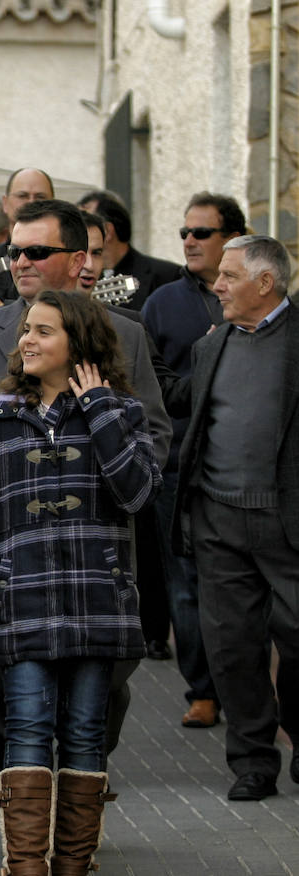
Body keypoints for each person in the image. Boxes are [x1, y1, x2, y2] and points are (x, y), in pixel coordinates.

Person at [0, 198, 172, 784]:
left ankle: (78, 798)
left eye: (36, 251)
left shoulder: (126, 336)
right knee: (12, 706)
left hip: (98, 560)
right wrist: (4, 483)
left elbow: (155, 435)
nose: (18, 261)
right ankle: (20, 801)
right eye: (13, 250)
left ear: (77, 259)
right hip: (11, 554)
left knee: (98, 705)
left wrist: (105, 473)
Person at [0, 288, 158, 875]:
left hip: (98, 604)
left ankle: (72, 866)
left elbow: (138, 494)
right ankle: (25, 867)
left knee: (86, 732)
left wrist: (99, 410)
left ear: (80, 344)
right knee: (27, 729)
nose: (26, 340)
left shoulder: (121, 412)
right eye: (26, 330)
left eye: (43, 331)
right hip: (23, 601)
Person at [172, 235, 299, 802]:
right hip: (218, 519)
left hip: (288, 521)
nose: (216, 285)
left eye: (228, 276)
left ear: (265, 283)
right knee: (232, 647)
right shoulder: (212, 345)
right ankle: (252, 763)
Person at [142, 192, 244, 729]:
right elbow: (153, 386)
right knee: (184, 582)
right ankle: (201, 690)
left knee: (241, 583)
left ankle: (246, 690)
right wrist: (203, 368)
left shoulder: (255, 299)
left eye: (201, 233)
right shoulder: (162, 304)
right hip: (178, 464)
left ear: (231, 238)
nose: (188, 241)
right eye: (185, 232)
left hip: (241, 469)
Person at [79, 190, 182, 310]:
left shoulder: (167, 276)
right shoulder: (75, 277)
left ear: (107, 230)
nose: (74, 230)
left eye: (85, 223)